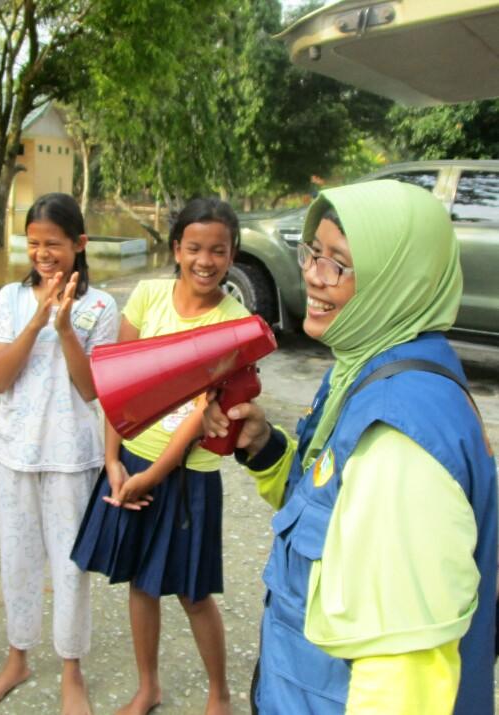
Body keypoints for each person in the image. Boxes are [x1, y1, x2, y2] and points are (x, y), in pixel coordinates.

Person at [203, 180, 497, 714]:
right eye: (313, 250)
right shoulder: (365, 368)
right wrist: (266, 449)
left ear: (397, 279)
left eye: (338, 262)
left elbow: (403, 680)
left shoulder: (400, 440)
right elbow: (334, 513)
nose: (312, 273)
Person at [72, 199, 248, 715]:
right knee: (141, 584)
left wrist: (151, 476)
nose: (205, 260)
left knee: (193, 593)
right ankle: (147, 686)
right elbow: (116, 384)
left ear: (232, 253)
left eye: (218, 250)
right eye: (194, 247)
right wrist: (113, 461)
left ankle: (220, 696)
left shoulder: (233, 321)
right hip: (130, 462)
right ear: (176, 249)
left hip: (186, 476)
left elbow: (200, 417)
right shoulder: (148, 296)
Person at [0, 193, 119, 715]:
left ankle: (71, 671)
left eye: (54, 244)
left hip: (71, 456)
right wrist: (38, 320)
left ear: (79, 244)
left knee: (69, 567)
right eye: (34, 243)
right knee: (17, 559)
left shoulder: (100, 307)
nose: (42, 254)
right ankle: (17, 657)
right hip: (15, 450)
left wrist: (64, 328)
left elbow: (91, 390)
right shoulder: (11, 300)